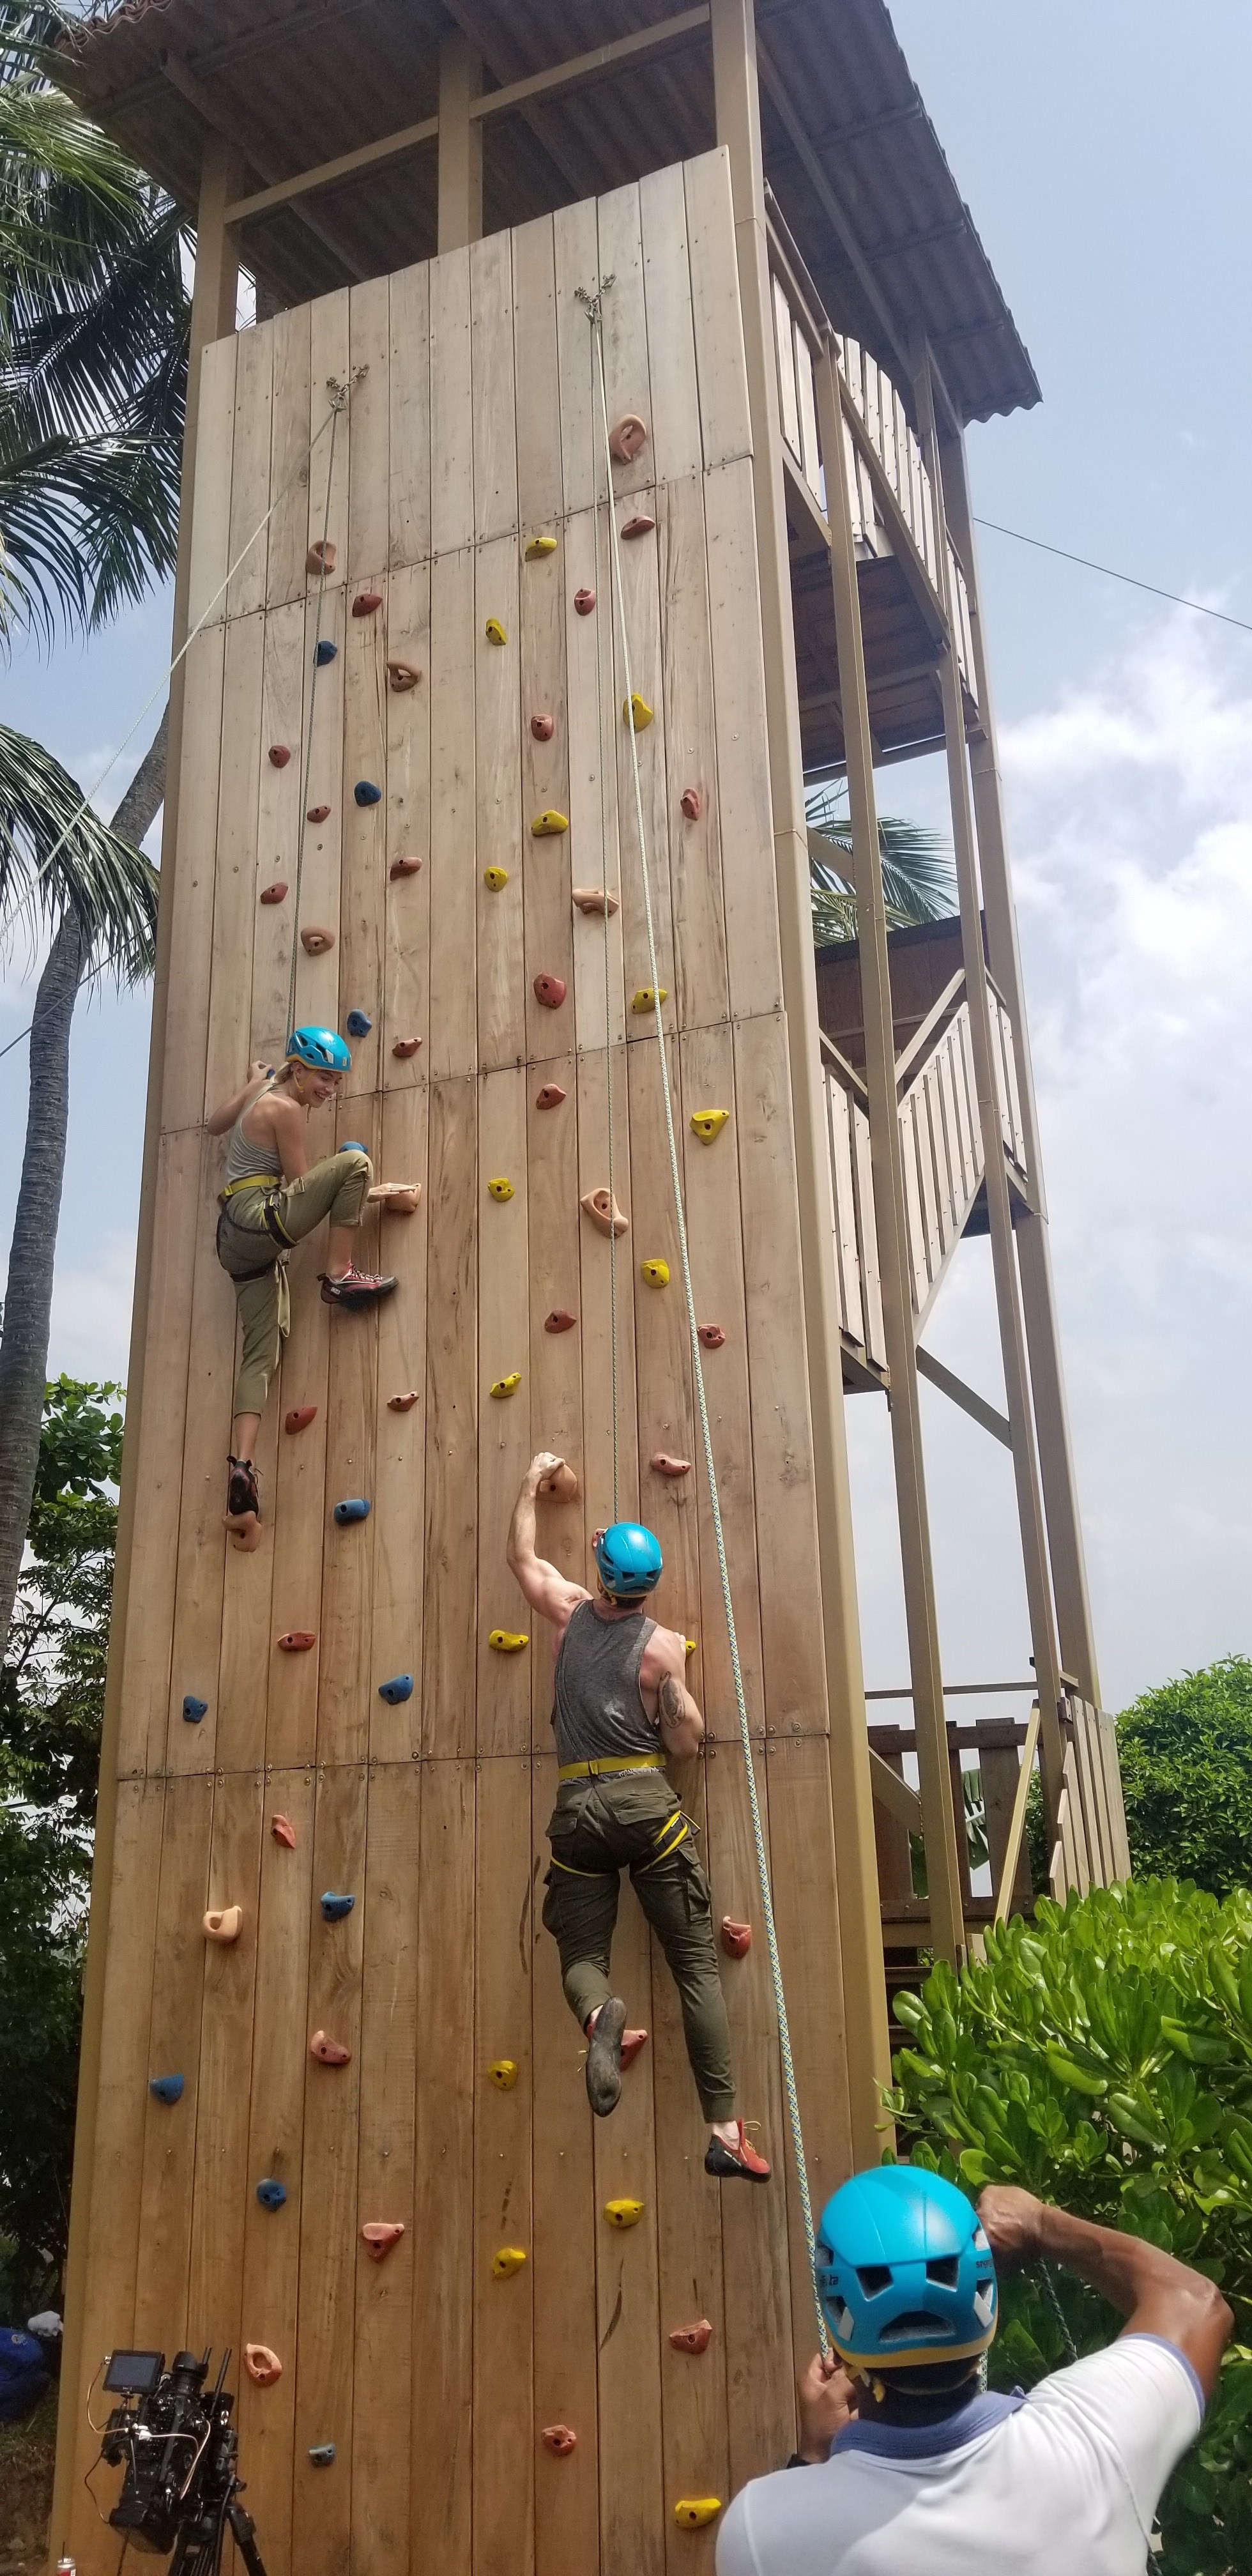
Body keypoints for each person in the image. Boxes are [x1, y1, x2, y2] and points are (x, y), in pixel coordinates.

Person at [716, 2163, 1233, 2576]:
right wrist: (1038, 2224)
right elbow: (1195, 2303)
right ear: (987, 2307)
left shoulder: (762, 2526)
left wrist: (815, 2458)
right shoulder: (1094, 2439)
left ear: (838, 2328)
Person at [507, 1450, 770, 2181]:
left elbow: (521, 1556)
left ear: (599, 1575)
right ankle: (724, 2130)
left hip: (578, 1811)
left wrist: (531, 1483)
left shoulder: (566, 1616)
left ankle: (600, 2015)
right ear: (651, 1584)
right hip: (647, 1805)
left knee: (581, 1957)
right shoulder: (662, 1651)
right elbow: (684, 1745)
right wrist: (675, 1703)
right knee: (695, 1967)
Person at [208, 1028, 396, 1533]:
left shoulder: (261, 1093)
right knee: (354, 1163)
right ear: (298, 1068)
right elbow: (302, 1185)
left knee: (261, 1354)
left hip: (235, 1240)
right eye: (324, 1078)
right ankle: (340, 1275)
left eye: (336, 1082)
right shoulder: (287, 1109)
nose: (330, 1089)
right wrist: (370, 1190)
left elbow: (213, 1125)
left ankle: (242, 1468)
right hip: (258, 1217)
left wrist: (252, 1081)